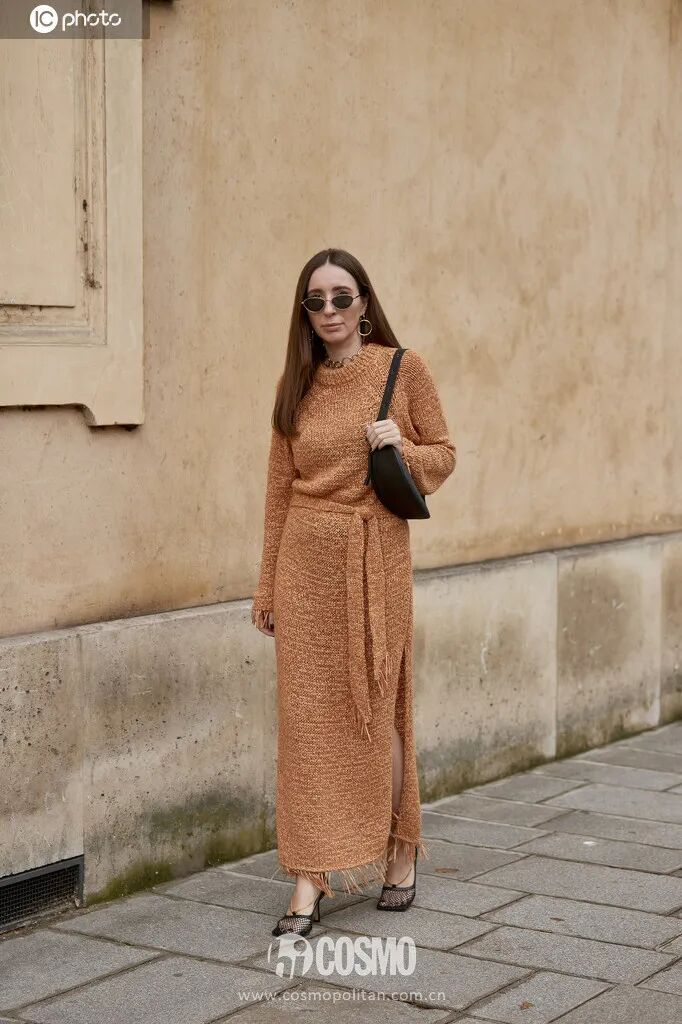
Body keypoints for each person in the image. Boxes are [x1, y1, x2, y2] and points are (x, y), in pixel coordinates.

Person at [251, 247, 456, 936]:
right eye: (317, 300)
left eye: (343, 296)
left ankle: (398, 851)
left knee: (376, 710)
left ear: (364, 302)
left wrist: (402, 445)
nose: (331, 310)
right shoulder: (296, 384)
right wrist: (266, 586)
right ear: (304, 312)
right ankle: (309, 878)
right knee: (308, 725)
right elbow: (279, 492)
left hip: (375, 561)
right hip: (304, 567)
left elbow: (444, 455)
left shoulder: (403, 368)